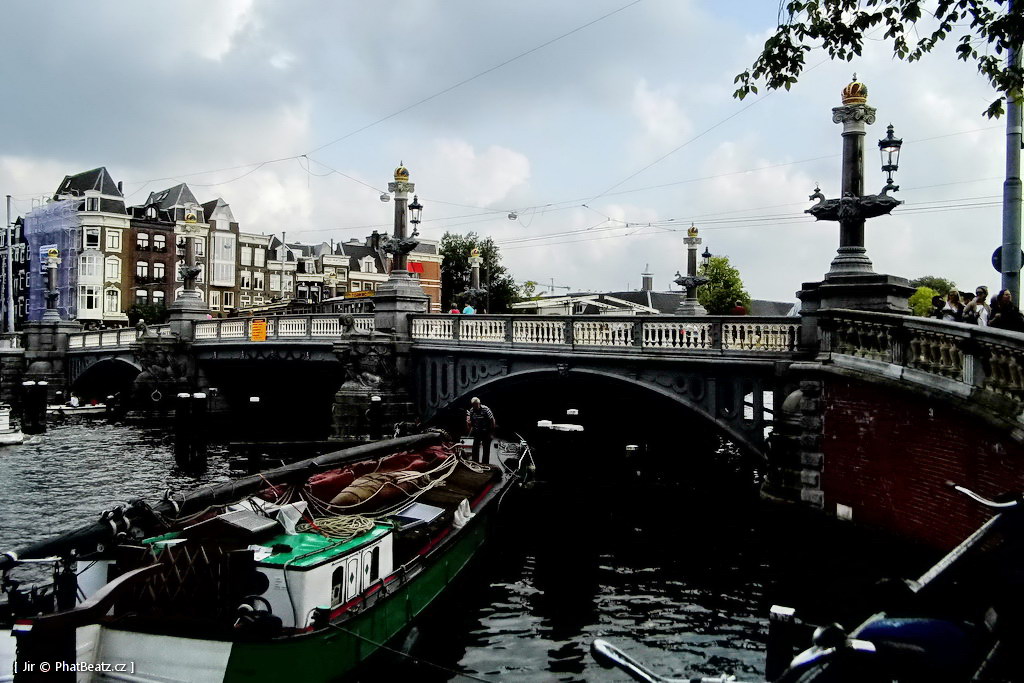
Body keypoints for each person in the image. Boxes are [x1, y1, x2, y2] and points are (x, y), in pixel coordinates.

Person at [466, 397, 495, 464]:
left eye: (476, 405)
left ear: (479, 404)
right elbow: (472, 422)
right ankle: (475, 462)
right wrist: (470, 426)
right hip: (477, 431)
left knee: (486, 448)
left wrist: (491, 433)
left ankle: (485, 463)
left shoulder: (486, 409)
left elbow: (492, 421)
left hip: (486, 431)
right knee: (475, 448)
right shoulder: (472, 410)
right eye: (474, 406)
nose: (475, 407)